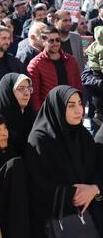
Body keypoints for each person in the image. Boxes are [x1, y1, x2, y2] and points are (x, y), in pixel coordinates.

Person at [25, 85, 103, 237]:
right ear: (58, 107)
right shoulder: (40, 140)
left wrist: (94, 188)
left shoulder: (83, 136)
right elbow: (37, 186)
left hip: (91, 218)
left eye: (80, 103)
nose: (79, 110)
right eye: (71, 105)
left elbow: (97, 170)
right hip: (59, 223)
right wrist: (74, 194)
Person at [27, 26, 82, 110]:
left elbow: (78, 86)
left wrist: (81, 108)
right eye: (51, 41)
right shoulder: (35, 64)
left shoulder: (71, 60)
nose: (55, 43)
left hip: (71, 108)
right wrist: (41, 117)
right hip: (50, 111)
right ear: (43, 41)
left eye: (57, 40)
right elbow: (34, 96)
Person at [0, 73, 35, 153]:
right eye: (21, 88)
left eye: (28, 88)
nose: (27, 93)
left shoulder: (31, 116)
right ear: (8, 91)